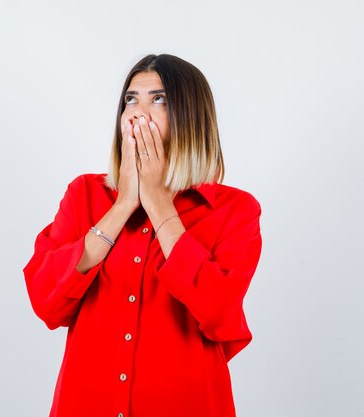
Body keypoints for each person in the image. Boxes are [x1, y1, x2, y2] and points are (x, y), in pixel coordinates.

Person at [22, 53, 263, 417]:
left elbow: (218, 312)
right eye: (130, 99)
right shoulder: (84, 194)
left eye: (159, 99)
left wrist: (159, 204)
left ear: (192, 118)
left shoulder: (236, 210)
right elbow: (45, 302)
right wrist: (122, 207)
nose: (137, 112)